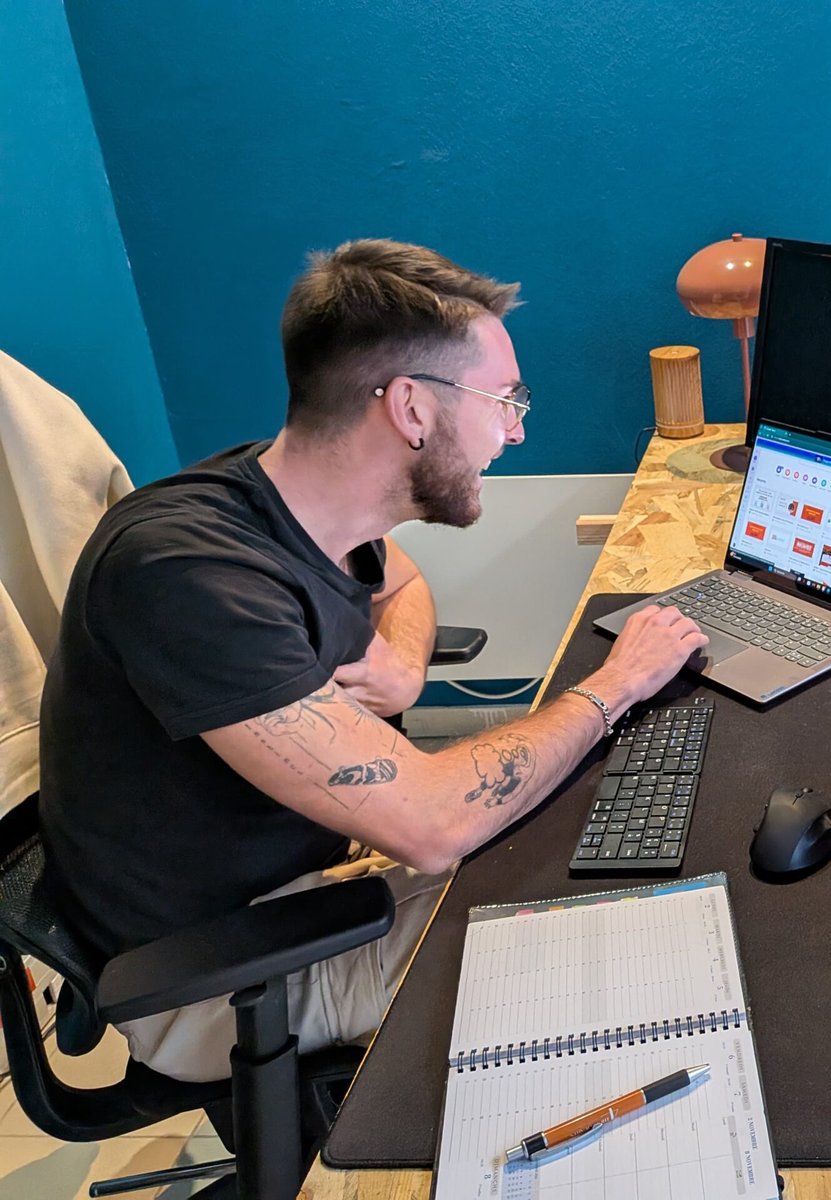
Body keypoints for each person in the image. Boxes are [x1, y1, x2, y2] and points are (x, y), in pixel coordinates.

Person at [38, 239, 707, 1083]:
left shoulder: (297, 498)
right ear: (412, 409)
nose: (516, 429)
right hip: (219, 972)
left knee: (610, 841)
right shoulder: (186, 574)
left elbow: (403, 579)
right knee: (628, 940)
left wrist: (406, 664)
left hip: (319, 878)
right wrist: (615, 685)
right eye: (505, 399)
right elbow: (432, 825)